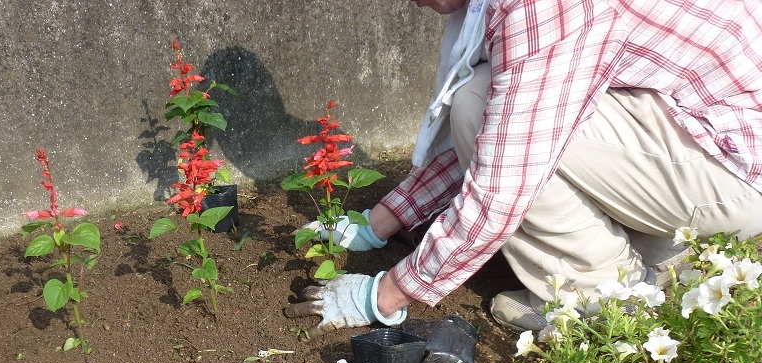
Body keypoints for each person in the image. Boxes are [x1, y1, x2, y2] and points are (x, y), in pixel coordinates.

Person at [288, 0, 762, 333]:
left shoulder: (547, 7)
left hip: (737, 171)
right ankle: (657, 245)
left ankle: (602, 294)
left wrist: (389, 293)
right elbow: (515, 120)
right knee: (486, 100)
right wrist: (382, 221)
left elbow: (504, 177)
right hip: (699, 127)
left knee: (476, 101)